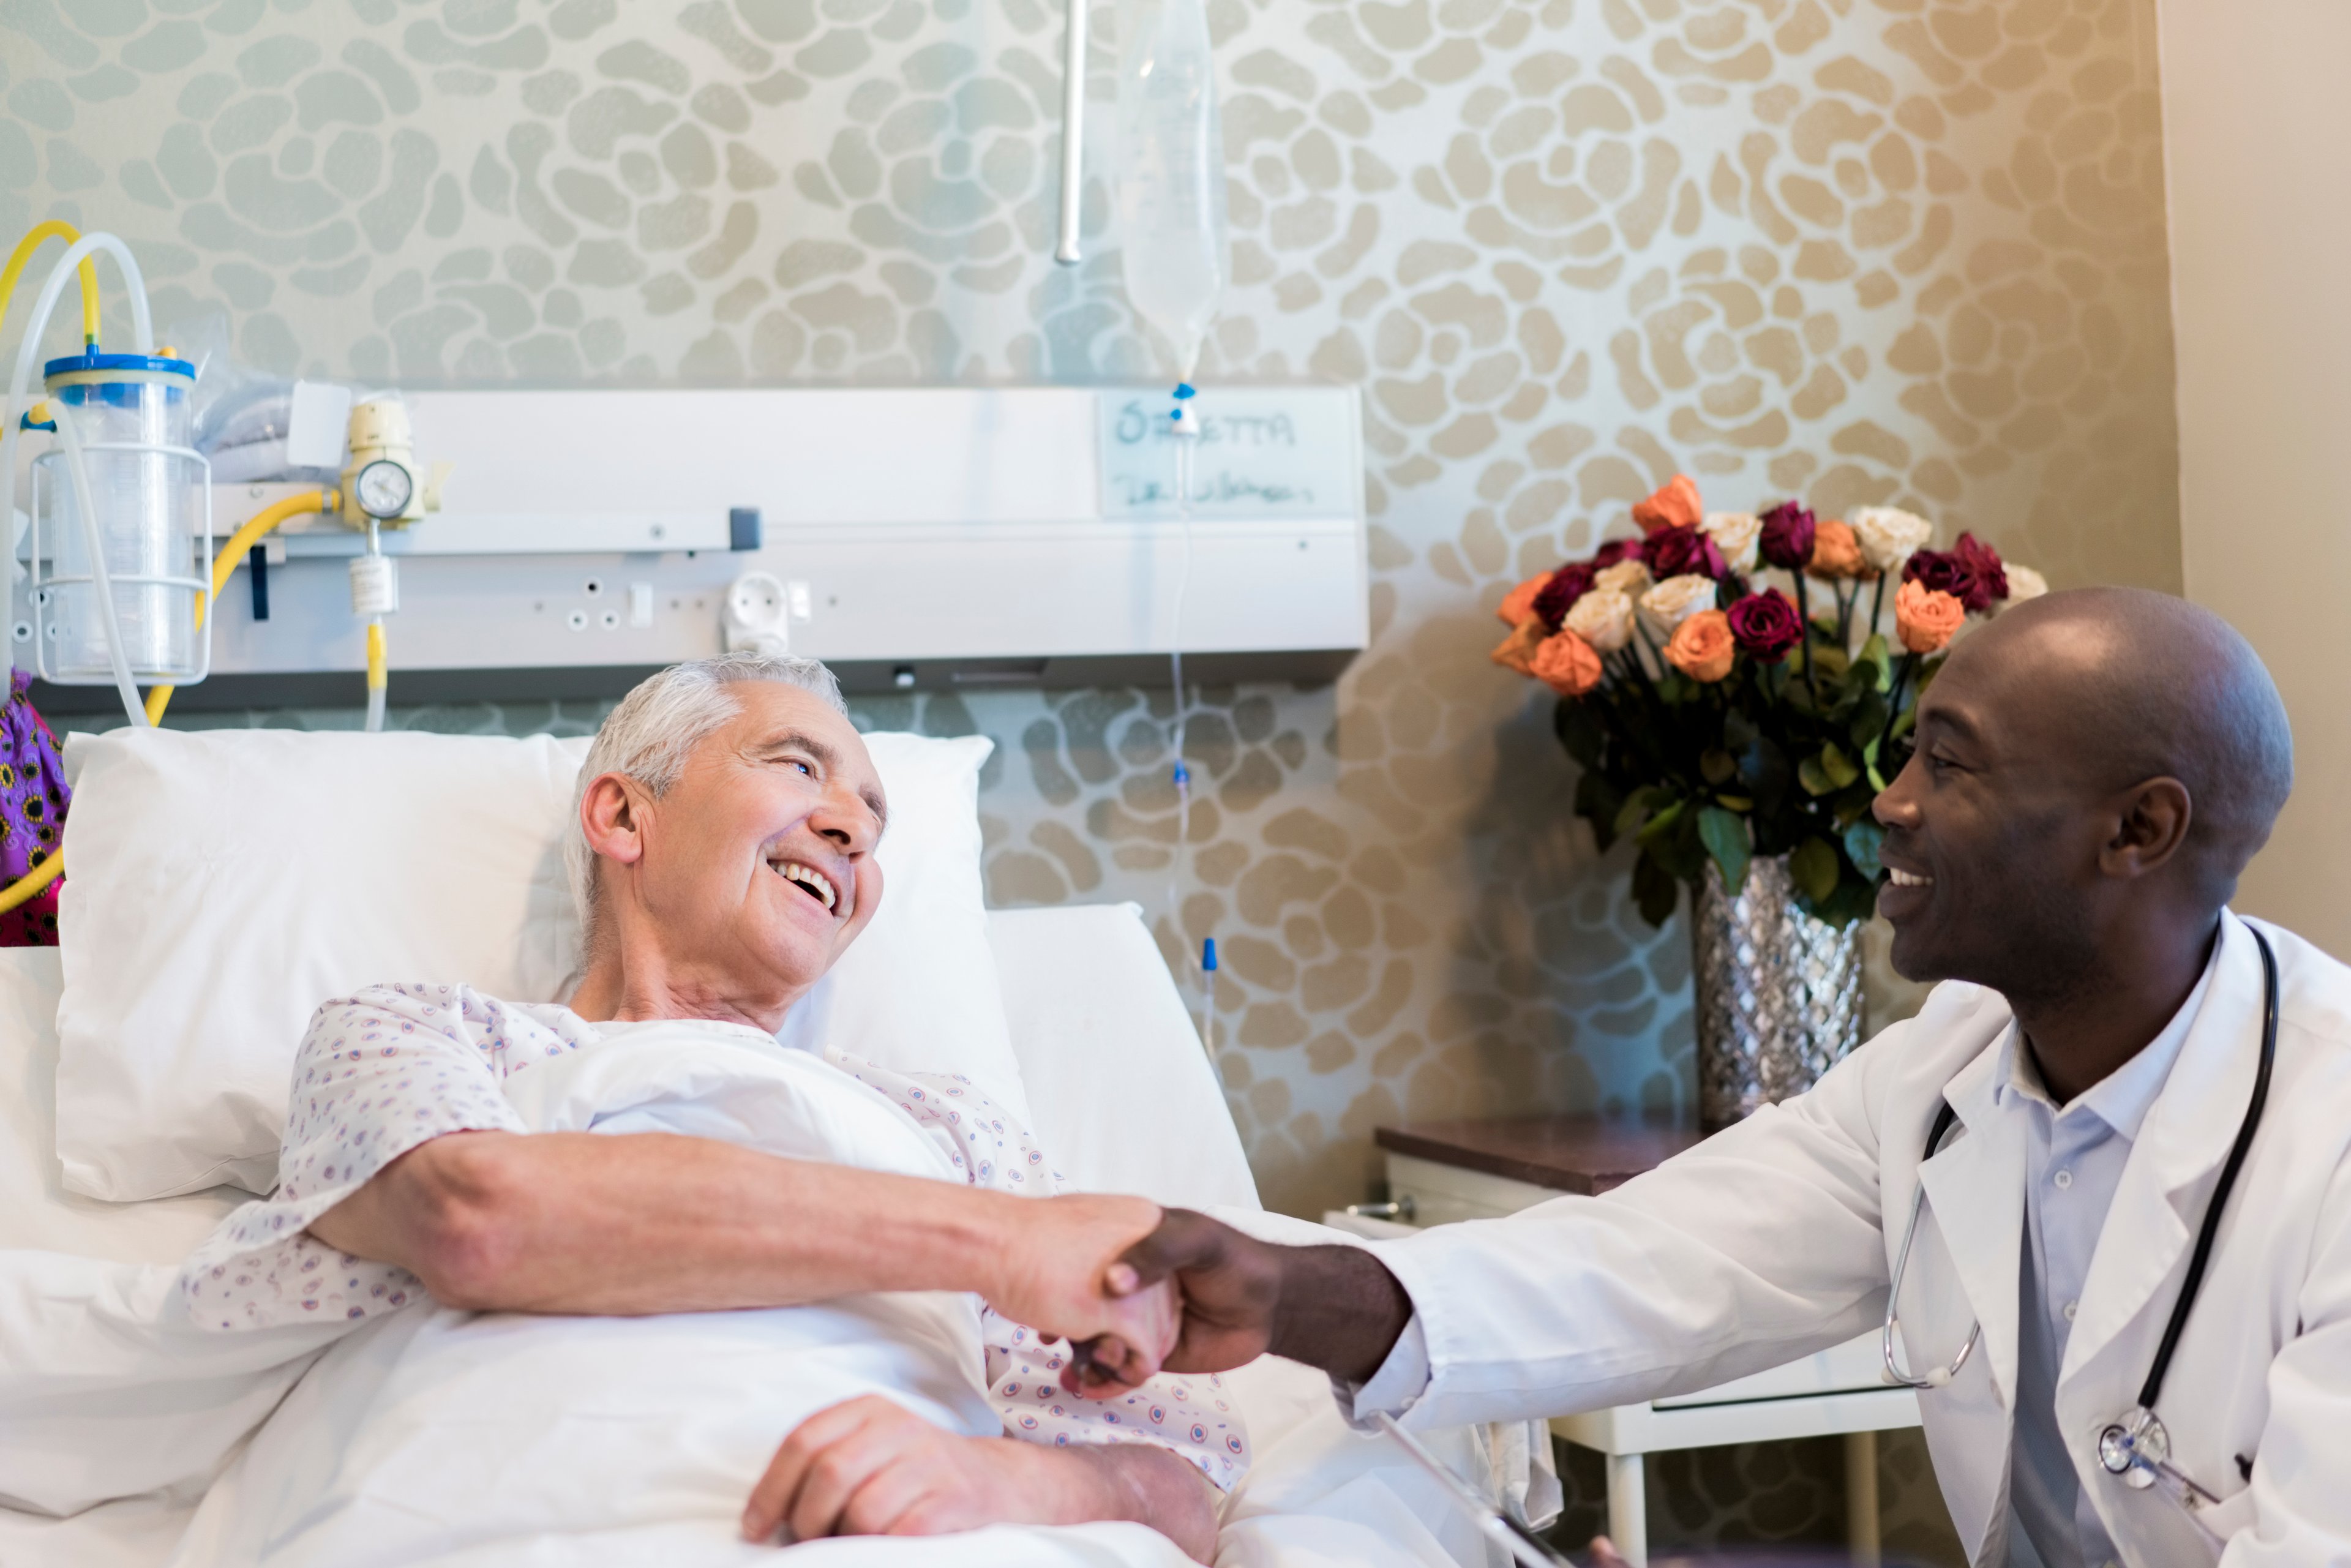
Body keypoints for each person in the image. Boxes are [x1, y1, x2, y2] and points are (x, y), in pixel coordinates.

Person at [1078, 588, 2351, 1567]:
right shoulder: (1946, 1071)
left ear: (2139, 830)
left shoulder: (2328, 1137)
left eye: (1950, 765)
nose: (1891, 805)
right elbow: (1647, 1268)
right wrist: (1290, 1294)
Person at [171, 653, 1229, 1558]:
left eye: (873, 815)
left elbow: (1189, 1480)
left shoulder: (949, 1124)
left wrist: (1009, 1484)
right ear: (625, 814)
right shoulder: (421, 1036)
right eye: (799, 765)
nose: (853, 829)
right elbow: (477, 1217)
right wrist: (994, 1243)